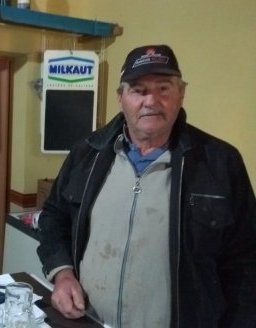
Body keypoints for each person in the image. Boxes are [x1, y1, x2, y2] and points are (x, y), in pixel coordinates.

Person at [36, 44, 256, 328]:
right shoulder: (87, 153)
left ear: (181, 93)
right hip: (88, 321)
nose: (151, 101)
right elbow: (54, 217)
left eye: (163, 88)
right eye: (138, 90)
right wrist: (62, 273)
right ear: (121, 98)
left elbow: (246, 261)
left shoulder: (219, 162)